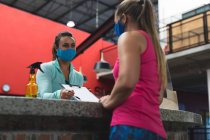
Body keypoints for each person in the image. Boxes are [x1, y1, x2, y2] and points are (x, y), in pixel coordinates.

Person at [99, 0, 167, 140]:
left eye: (116, 21)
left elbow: (127, 82)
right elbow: (159, 97)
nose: (116, 26)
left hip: (129, 126)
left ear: (124, 18)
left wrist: (109, 101)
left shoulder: (129, 37)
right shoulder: (155, 47)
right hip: (156, 130)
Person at [36, 31, 84, 99]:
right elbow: (43, 96)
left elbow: (78, 100)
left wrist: (85, 95)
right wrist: (59, 94)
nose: (70, 49)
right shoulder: (45, 68)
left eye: (73, 45)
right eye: (65, 45)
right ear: (56, 48)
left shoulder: (79, 76)